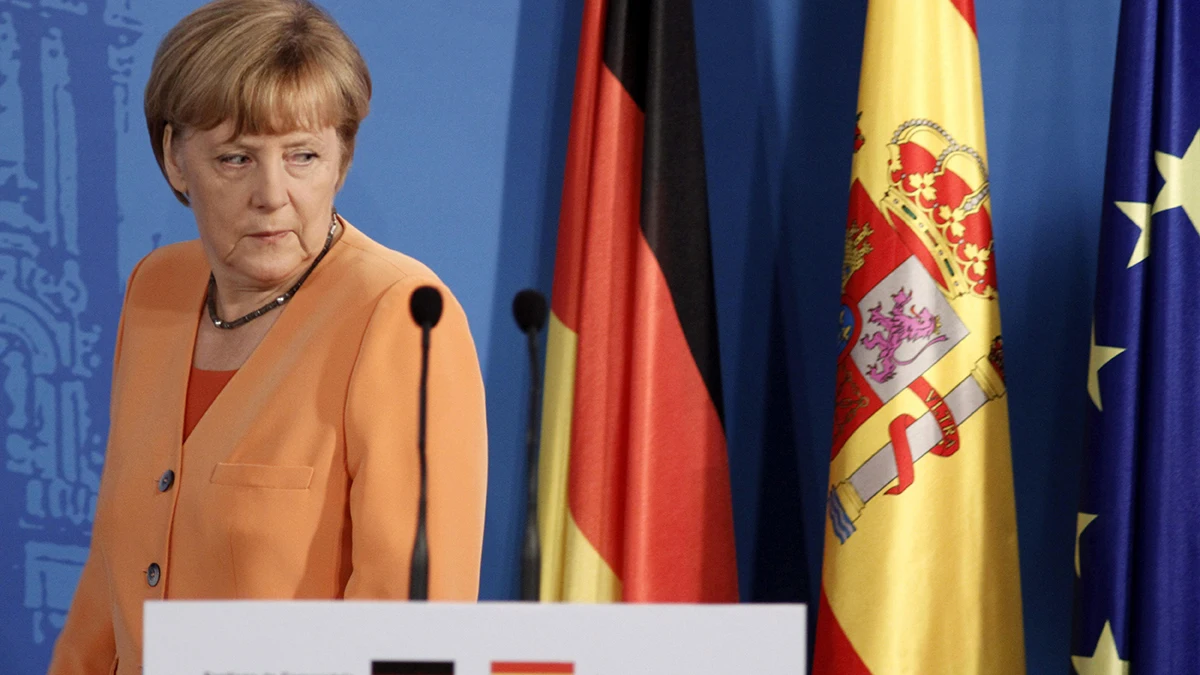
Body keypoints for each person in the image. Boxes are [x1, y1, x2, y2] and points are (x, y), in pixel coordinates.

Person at [48, 1, 488, 672]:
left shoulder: (399, 316)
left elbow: (411, 635)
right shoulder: (155, 291)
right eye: (235, 158)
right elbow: (111, 568)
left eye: (303, 156)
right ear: (175, 157)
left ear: (341, 159)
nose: (273, 194)